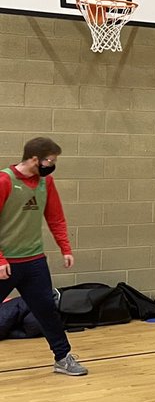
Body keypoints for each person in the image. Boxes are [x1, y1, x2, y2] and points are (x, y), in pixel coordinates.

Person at [0, 137, 86, 376]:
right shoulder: (5, 180)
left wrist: (65, 248)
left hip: (34, 262)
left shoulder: (45, 183)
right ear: (34, 159)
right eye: (50, 160)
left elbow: (55, 217)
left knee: (46, 310)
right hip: (6, 263)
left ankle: (62, 358)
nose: (52, 164)